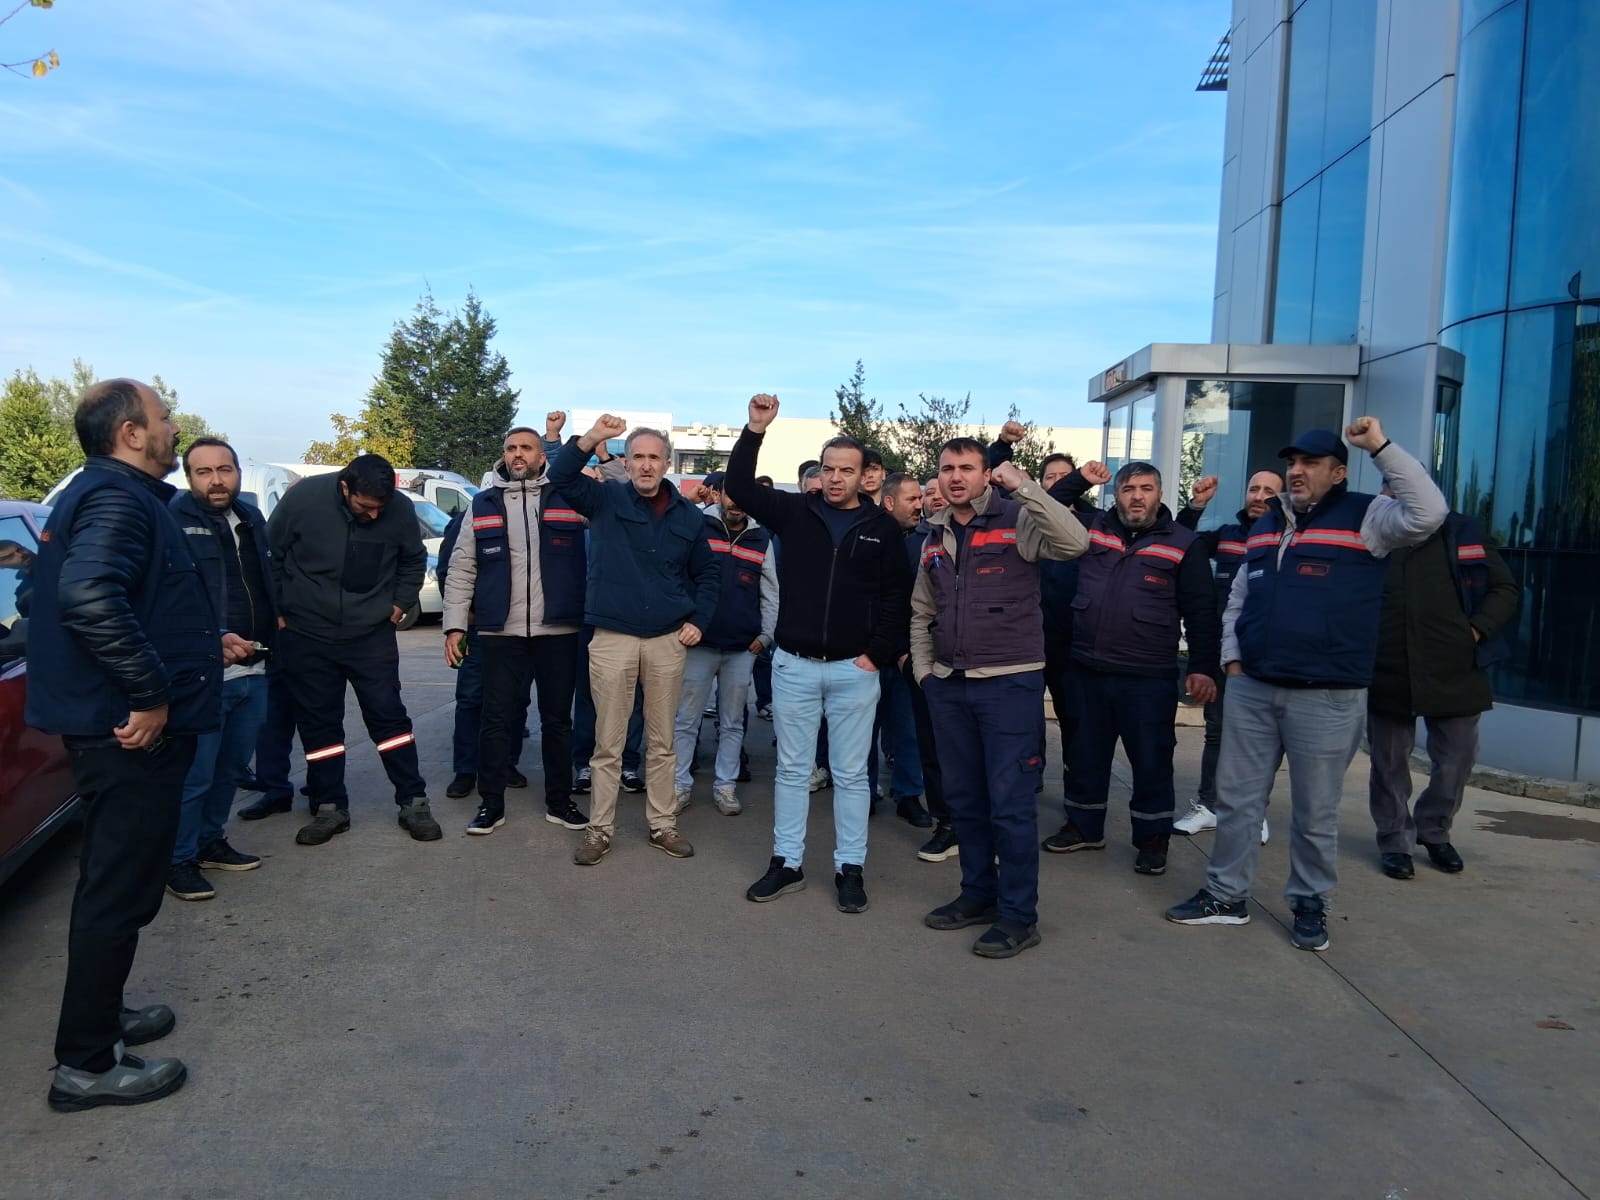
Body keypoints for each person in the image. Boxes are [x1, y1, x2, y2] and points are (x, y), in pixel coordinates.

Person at [27, 378, 251, 1111]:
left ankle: (102, 1017)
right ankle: (86, 1064)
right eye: (163, 417)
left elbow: (55, 594)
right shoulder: (118, 499)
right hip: (125, 732)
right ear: (130, 432)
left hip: (114, 724)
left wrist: (203, 638)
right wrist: (151, 693)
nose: (173, 427)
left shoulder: (102, 495)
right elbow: (87, 597)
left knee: (114, 888)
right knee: (116, 893)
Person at [1166, 420, 1448, 951]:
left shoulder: (1369, 516)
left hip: (1327, 695)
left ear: (1338, 473)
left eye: (1311, 463)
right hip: (1253, 687)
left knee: (1315, 810)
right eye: (1293, 463)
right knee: (1237, 800)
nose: (1297, 471)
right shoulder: (1268, 523)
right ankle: (1225, 896)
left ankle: (1310, 902)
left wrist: (1379, 447)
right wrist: (1232, 661)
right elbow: (1241, 597)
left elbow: (1430, 512)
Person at [726, 394, 911, 914]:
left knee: (851, 776)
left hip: (855, 670)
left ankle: (850, 868)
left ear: (865, 475)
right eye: (828, 468)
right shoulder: (795, 512)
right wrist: (755, 430)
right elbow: (739, 485)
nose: (834, 478)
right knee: (792, 770)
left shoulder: (881, 528)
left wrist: (876, 654)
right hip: (794, 667)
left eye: (846, 470)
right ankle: (786, 863)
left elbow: (897, 596)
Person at [912, 441, 1088, 957]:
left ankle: (1018, 916)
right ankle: (977, 894)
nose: (955, 477)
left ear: (987, 474)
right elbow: (922, 609)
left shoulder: (1018, 518)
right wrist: (925, 673)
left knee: (1010, 805)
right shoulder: (935, 532)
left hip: (1009, 684)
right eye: (947, 468)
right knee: (965, 800)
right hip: (949, 683)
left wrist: (1026, 487)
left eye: (967, 468)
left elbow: (1074, 542)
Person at [546, 416, 720, 865]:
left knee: (662, 742)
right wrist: (593, 438)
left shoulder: (688, 516)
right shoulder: (604, 498)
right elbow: (561, 476)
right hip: (613, 637)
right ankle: (599, 830)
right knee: (608, 742)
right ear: (626, 463)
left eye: (653, 458)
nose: (645, 465)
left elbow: (708, 573)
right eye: (638, 457)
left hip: (667, 639)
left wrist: (699, 621)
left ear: (667, 464)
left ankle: (663, 825)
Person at [1038, 460, 1220, 876]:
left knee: (1152, 761)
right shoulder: (1091, 528)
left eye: (1146, 488)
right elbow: (1048, 506)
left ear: (1159, 494)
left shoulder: (1184, 543)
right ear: (1115, 494)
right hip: (1087, 669)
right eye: (1128, 489)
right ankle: (1084, 826)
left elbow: (1201, 612)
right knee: (1085, 755)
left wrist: (1203, 666)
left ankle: (1152, 840)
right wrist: (1080, 478)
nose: (1137, 496)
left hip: (1148, 676)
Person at [267, 454, 440, 845]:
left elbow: (413, 559)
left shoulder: (398, 509)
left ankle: (413, 802)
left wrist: (399, 604)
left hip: (370, 635)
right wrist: (278, 610)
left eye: (381, 507)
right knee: (319, 724)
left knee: (388, 718)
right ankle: (329, 807)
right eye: (365, 507)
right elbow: (271, 556)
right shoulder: (303, 499)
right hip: (307, 634)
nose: (374, 515)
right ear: (345, 488)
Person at [442, 426, 590, 835]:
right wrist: (454, 625)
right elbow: (462, 566)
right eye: (511, 448)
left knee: (557, 721)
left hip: (557, 630)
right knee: (496, 720)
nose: (518, 454)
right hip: (499, 632)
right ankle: (491, 805)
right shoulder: (483, 503)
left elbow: (613, 503)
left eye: (526, 447)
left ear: (543, 456)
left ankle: (560, 803)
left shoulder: (567, 496)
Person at [1366, 510, 1518, 879]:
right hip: (1388, 668)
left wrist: (1475, 631)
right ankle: (1395, 841)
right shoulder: (1375, 534)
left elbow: (1504, 588)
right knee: (1388, 764)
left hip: (1455, 668)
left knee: (1457, 758)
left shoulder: (1462, 531)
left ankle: (1434, 829)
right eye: (1391, 492)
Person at [164, 437, 276, 902]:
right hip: (203, 674)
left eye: (224, 470)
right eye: (204, 471)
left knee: (230, 769)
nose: (216, 480)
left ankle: (210, 841)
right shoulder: (173, 521)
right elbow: (169, 600)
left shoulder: (251, 518)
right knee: (196, 776)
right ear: (189, 477)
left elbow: (266, 581)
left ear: (237, 473)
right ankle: (178, 859)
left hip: (255, 665)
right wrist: (213, 637)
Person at [1172, 468, 1285, 843]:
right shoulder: (1227, 536)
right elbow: (1179, 541)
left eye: (1269, 491)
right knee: (1217, 732)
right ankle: (1210, 805)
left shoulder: (1290, 538)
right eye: (1254, 489)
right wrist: (1196, 505)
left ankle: (1254, 810)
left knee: (1264, 738)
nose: (1260, 496)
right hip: (1224, 654)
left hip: (1269, 657)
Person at [671, 486, 777, 816]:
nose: (736, 503)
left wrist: (766, 635)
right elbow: (676, 575)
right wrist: (681, 622)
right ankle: (679, 785)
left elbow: (770, 591)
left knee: (732, 723)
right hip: (698, 644)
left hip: (741, 648)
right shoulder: (698, 527)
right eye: (731, 495)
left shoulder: (761, 538)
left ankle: (725, 787)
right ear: (720, 496)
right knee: (686, 721)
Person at [436, 508, 529, 801]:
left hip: (522, 628)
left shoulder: (532, 508)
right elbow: (449, 569)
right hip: (481, 627)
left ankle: (506, 765)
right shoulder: (475, 513)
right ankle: (466, 770)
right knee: (471, 698)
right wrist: (464, 616)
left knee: (516, 700)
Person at [877, 473, 937, 833]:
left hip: (907, 657)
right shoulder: (867, 538)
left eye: (920, 498)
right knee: (861, 734)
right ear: (889, 502)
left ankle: (909, 795)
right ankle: (865, 791)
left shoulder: (924, 542)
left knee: (908, 730)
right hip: (867, 655)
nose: (920, 505)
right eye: (912, 499)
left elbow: (918, 606)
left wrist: (906, 651)